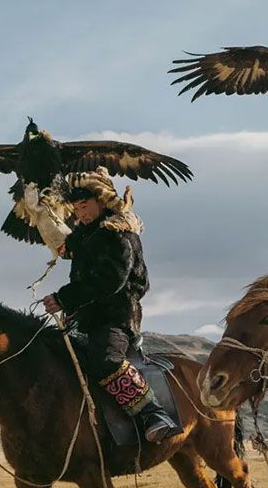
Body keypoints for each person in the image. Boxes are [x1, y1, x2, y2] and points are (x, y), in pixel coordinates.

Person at [43, 168, 177, 443]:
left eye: (86, 206)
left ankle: (153, 414)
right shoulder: (84, 236)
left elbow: (110, 280)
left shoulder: (119, 234)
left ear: (102, 201)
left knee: (106, 361)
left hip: (116, 317)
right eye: (77, 208)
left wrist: (64, 298)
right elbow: (61, 244)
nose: (81, 213)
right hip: (84, 318)